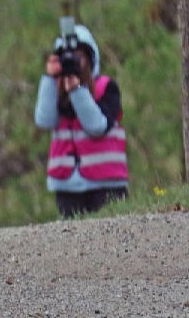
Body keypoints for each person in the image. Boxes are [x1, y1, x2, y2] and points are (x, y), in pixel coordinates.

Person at [33, 23, 128, 218]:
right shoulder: (56, 90)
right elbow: (44, 120)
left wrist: (77, 91)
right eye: (67, 57)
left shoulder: (106, 87)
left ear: (91, 59)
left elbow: (97, 127)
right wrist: (50, 80)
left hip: (107, 182)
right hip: (67, 186)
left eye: (79, 57)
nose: (73, 62)